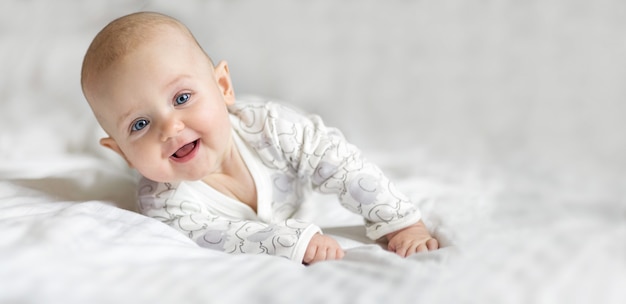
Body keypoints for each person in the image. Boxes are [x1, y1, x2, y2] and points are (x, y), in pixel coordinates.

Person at [80, 11, 439, 264]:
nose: (170, 127)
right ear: (124, 154)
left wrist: (402, 222)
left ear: (222, 86)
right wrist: (293, 242)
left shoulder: (273, 129)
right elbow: (217, 236)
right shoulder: (163, 202)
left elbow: (340, 163)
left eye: (182, 98)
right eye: (139, 125)